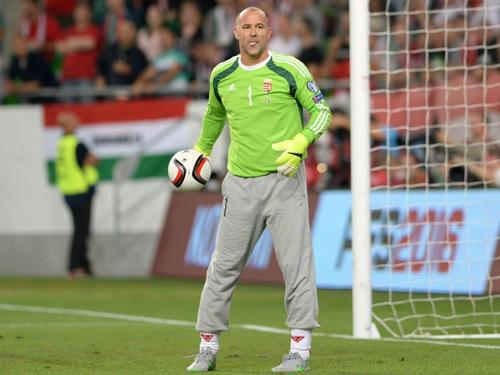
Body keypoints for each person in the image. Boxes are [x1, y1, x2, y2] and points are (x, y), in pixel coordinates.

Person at [186, 7, 331, 373]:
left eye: (259, 27)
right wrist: (201, 151)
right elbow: (214, 115)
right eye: (246, 27)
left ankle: (299, 353)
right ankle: (207, 348)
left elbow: (321, 111)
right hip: (240, 185)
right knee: (223, 266)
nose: (253, 33)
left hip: (284, 182)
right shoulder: (222, 75)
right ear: (236, 32)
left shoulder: (290, 68)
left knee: (297, 267)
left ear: (269, 32)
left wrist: (302, 139)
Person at [55, 111, 99, 279]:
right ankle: (75, 266)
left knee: (80, 229)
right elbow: (90, 161)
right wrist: (94, 160)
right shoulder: (77, 144)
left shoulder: (62, 144)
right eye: (72, 120)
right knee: (82, 231)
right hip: (81, 191)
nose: (77, 121)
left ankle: (84, 265)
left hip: (68, 191)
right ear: (67, 125)